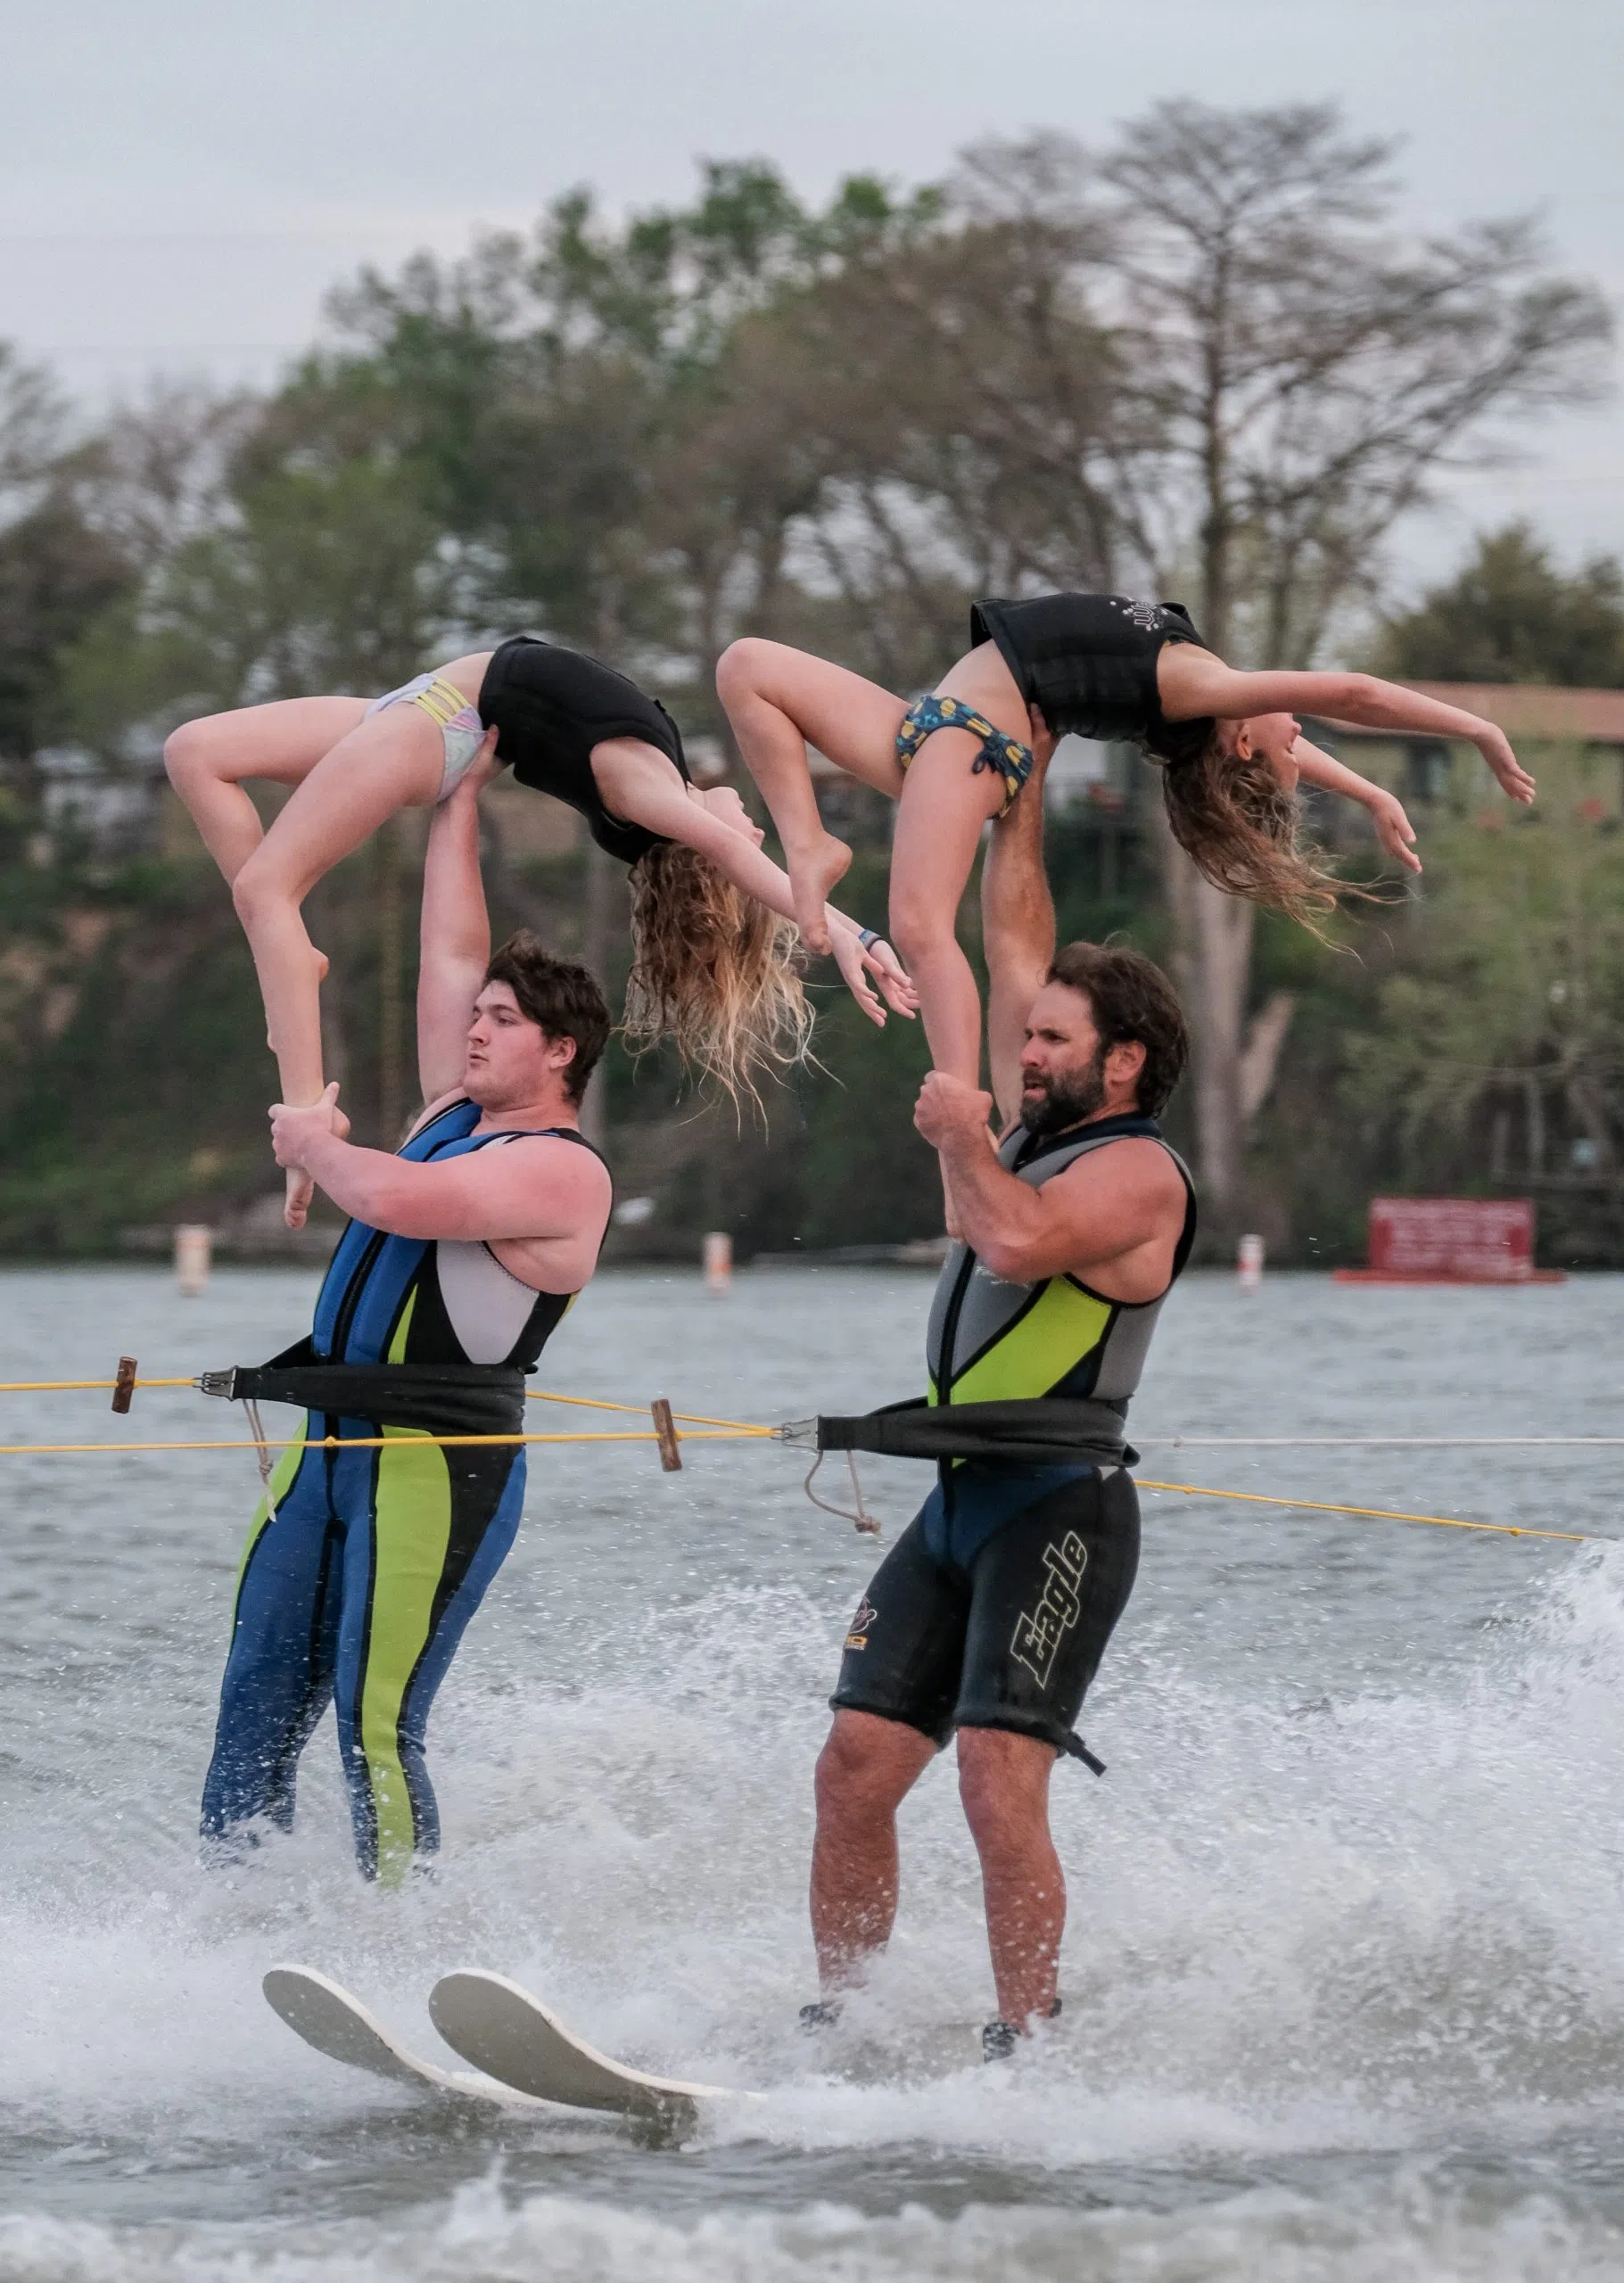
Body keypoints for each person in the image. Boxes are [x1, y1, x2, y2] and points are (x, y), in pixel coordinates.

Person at [804, 725, 1197, 2054]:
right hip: (961, 1504)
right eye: (1026, 1035)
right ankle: (842, 2023)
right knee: (855, 1766)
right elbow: (1014, 931)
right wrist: (1015, 791)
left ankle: (1026, 2040)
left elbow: (1018, 1243)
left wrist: (959, 1137)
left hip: (1058, 1512)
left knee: (992, 1778)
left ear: (1121, 1059)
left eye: (1049, 1038)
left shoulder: (1136, 1172)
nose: (1023, 1050)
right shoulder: (1035, 1126)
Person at [200, 738, 614, 1883]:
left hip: (438, 1468)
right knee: (252, 1712)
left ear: (561, 1051)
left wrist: (313, 1141)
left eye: (503, 1020)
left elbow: (394, 1199)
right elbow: (450, 949)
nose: (475, 1027)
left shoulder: (561, 1171)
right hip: (325, 1456)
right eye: (478, 1015)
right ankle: (227, 1927)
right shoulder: (450, 1109)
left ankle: (402, 1934)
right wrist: (458, 797)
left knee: (375, 1727)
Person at [165, 634, 913, 1225]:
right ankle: (281, 946)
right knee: (195, 753)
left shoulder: (648, 795)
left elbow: (733, 854)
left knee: (267, 889)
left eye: (751, 842)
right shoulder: (668, 770)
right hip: (421, 703)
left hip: (441, 727)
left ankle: (306, 1103)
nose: (753, 826)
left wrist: (848, 931)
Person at [717, 593, 1536, 1089]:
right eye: (1297, 740)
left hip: (974, 739)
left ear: (1241, 739)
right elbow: (1288, 745)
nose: (1299, 729)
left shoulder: (1206, 686)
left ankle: (960, 1119)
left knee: (923, 929)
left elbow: (1352, 694)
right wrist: (1372, 791)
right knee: (747, 667)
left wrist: (1476, 729)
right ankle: (808, 843)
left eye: (1289, 741)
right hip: (935, 725)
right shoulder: (1203, 698)